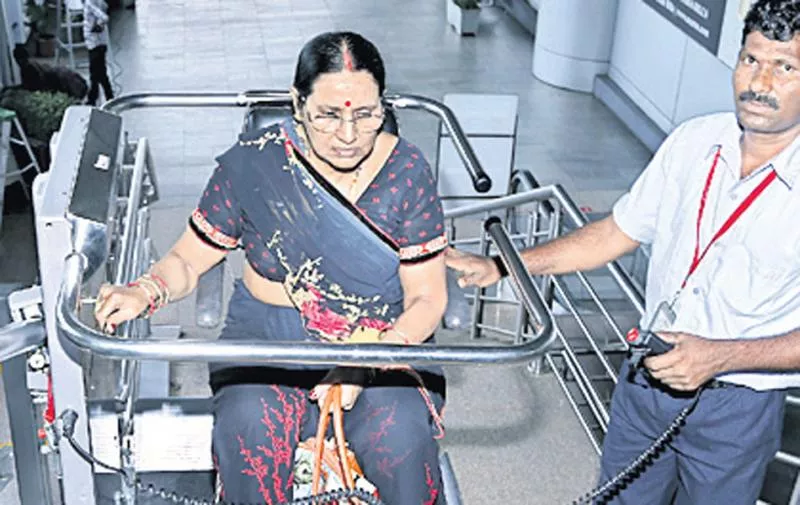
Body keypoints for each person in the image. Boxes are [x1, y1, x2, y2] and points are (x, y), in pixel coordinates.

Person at [446, 0, 800, 503]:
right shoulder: (693, 141)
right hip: (646, 380)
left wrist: (722, 357)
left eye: (784, 67)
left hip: (736, 411)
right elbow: (615, 233)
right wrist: (502, 265)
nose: (759, 83)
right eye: (750, 60)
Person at [94, 31, 449, 505]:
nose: (347, 135)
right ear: (297, 103)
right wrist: (146, 290)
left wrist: (367, 358)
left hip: (380, 337)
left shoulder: (407, 172)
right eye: (328, 115)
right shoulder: (254, 165)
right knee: (249, 435)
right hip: (268, 335)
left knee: (401, 438)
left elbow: (428, 298)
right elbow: (188, 258)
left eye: (365, 115)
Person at [12, 45, 88, 100]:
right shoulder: (30, 66)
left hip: (66, 82)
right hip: (66, 80)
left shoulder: (29, 68)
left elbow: (34, 87)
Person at [83, 0, 114, 106]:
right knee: (100, 72)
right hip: (100, 42)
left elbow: (104, 17)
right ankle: (107, 96)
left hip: (94, 43)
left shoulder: (89, 3)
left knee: (95, 72)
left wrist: (97, 26)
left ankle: (94, 98)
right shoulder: (100, 2)